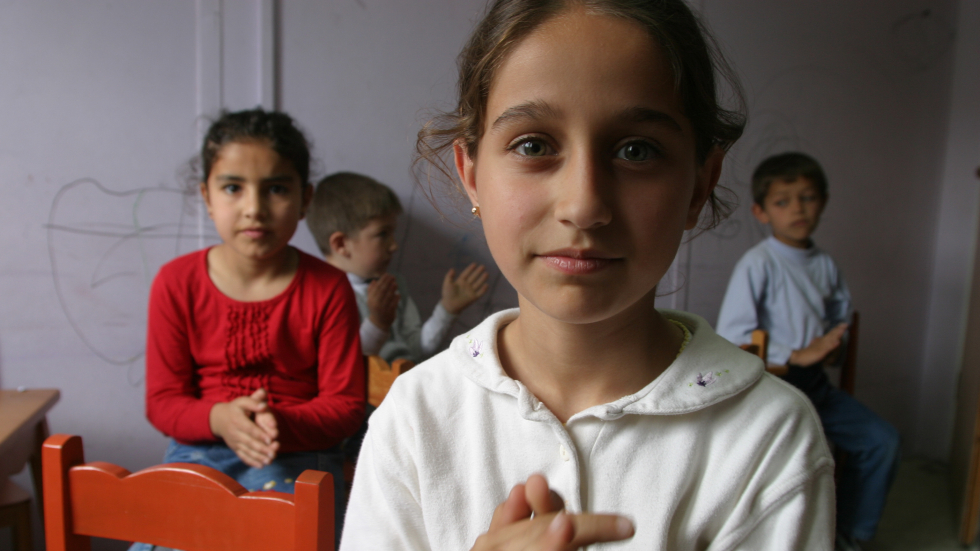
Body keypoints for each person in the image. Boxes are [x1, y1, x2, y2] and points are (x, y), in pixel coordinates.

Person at [340, 1, 835, 550]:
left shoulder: (768, 437)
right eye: (533, 146)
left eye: (636, 150)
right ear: (473, 176)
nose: (583, 204)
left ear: (699, 184)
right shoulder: (413, 420)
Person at [135, 108, 364, 550]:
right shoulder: (175, 282)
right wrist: (220, 418)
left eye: (276, 188)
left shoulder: (329, 288)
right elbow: (163, 403)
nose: (254, 208)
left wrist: (274, 421)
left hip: (297, 450)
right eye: (233, 188)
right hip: (200, 448)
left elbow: (346, 406)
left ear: (305, 199)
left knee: (277, 537)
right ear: (207, 196)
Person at [716, 152, 900, 551]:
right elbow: (734, 336)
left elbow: (838, 321)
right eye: (783, 201)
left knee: (881, 441)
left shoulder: (826, 265)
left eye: (808, 198)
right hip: (773, 391)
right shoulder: (758, 263)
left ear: (823, 202)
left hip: (816, 389)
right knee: (797, 466)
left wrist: (833, 348)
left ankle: (851, 534)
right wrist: (796, 353)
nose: (797, 208)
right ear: (761, 212)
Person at [307, 171, 489, 364]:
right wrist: (378, 324)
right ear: (341, 244)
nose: (394, 245)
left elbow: (417, 348)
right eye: (382, 234)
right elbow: (343, 366)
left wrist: (447, 309)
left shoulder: (394, 284)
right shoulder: (320, 297)